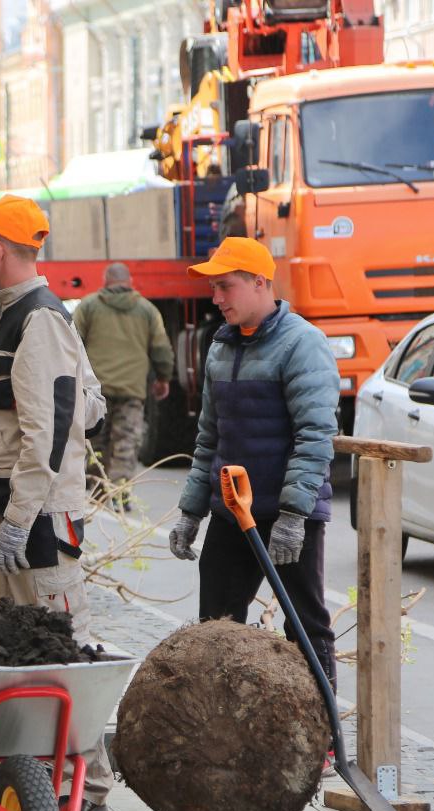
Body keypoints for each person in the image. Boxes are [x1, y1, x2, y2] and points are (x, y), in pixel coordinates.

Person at [0, 194, 113, 811]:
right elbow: (88, 406)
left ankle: (89, 786)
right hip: (4, 515)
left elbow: (48, 428)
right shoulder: (12, 316)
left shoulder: (38, 320)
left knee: (64, 651)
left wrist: (21, 518)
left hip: (36, 523)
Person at [169, 237, 340, 686]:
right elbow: (209, 437)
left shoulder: (303, 345)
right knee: (217, 629)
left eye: (225, 286)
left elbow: (316, 435)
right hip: (232, 514)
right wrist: (192, 511)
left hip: (286, 514)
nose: (216, 298)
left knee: (304, 625)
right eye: (214, 288)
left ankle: (321, 741)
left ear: (260, 282)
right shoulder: (221, 348)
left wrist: (292, 515)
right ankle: (219, 731)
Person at [73, 262, 174, 503]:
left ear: (105, 280)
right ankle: (120, 490)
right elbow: (161, 348)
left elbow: (71, 343)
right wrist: (163, 378)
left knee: (97, 439)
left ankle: (97, 487)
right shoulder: (147, 310)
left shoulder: (88, 306)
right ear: (130, 282)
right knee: (126, 438)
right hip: (131, 389)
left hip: (96, 389)